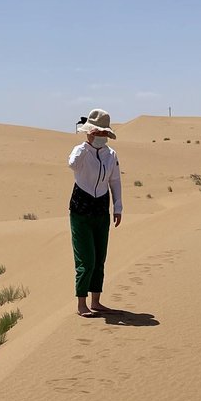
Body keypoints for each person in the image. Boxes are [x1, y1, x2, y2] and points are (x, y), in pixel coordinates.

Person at [68, 108, 123, 317]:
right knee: (86, 260)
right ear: (90, 131)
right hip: (81, 209)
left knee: (100, 258)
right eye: (96, 132)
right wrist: (86, 145)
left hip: (101, 209)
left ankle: (96, 301)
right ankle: (81, 303)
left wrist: (118, 207)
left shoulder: (111, 155)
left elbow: (115, 181)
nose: (100, 136)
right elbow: (72, 164)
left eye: (103, 133)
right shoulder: (80, 151)